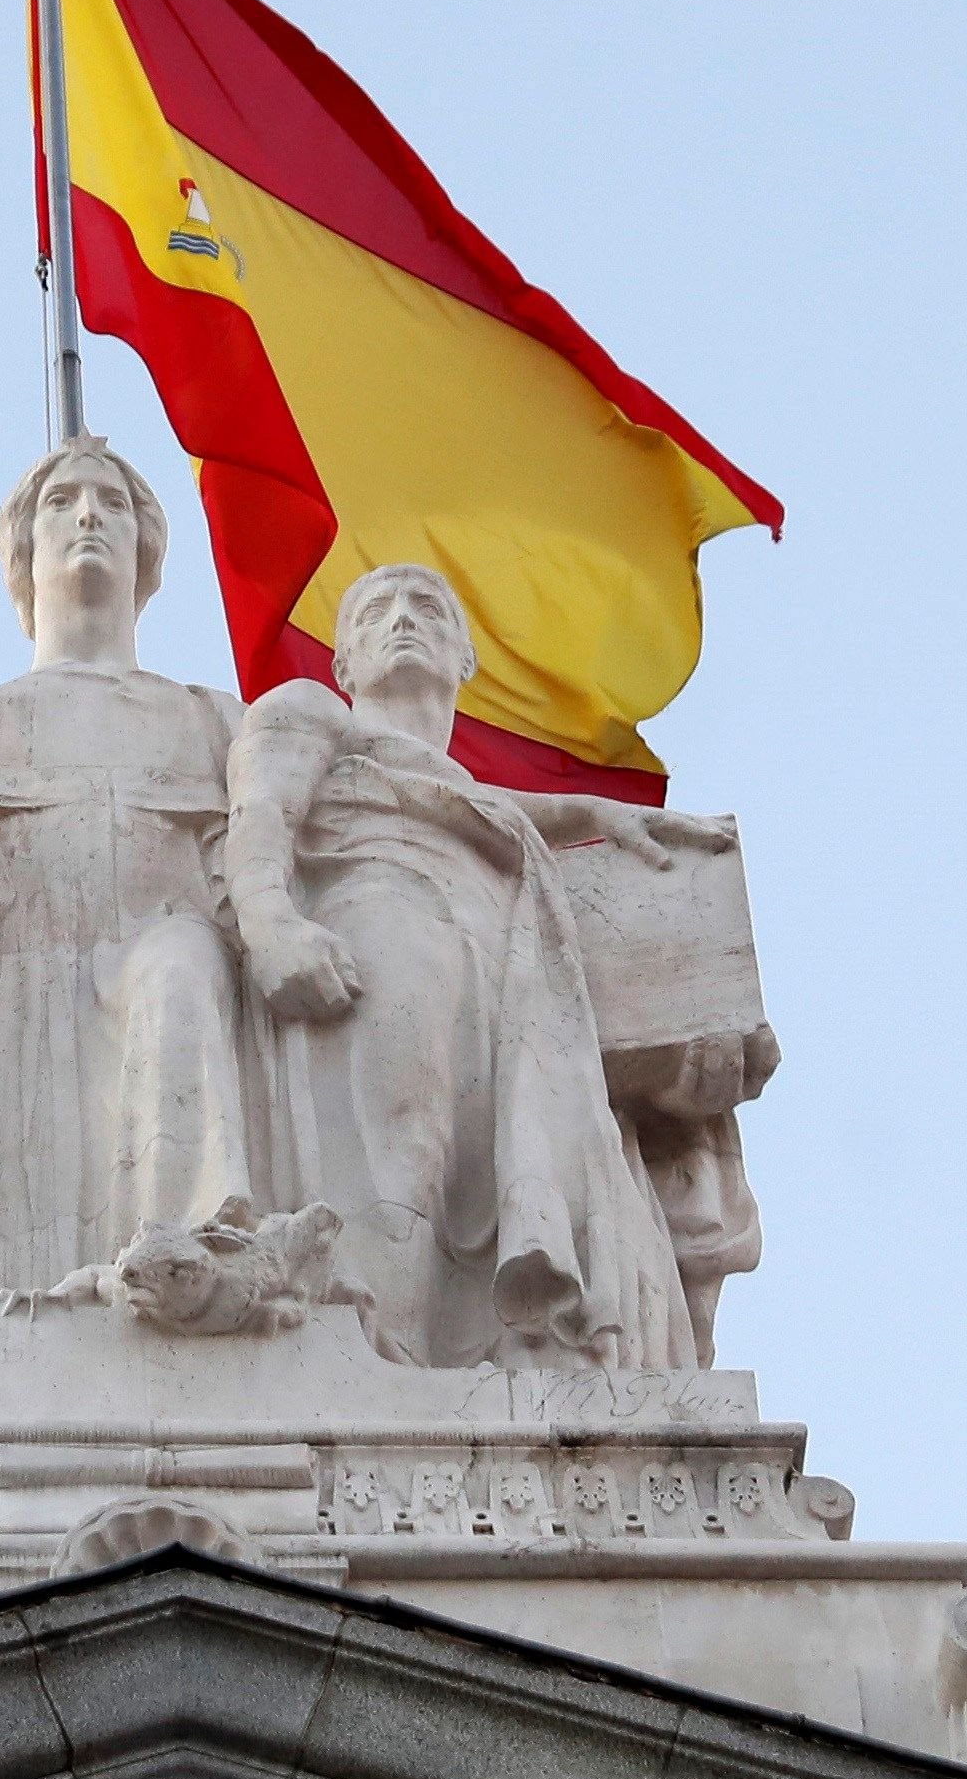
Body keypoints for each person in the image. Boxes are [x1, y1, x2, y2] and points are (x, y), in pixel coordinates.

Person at [225, 563, 701, 1371]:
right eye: (375, 611)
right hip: (377, 929)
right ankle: (383, 1359)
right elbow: (260, 814)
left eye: (428, 609)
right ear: (342, 665)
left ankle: (458, 1356)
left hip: (494, 971)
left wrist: (588, 812)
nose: (402, 619)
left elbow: (473, 800)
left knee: (478, 1173)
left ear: (466, 659)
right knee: (401, 1156)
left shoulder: (481, 806)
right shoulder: (309, 713)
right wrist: (270, 924)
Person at [0, 442, 266, 1296]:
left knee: (178, 966)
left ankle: (188, 1247)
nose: (89, 514)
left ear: (146, 554)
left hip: (165, 960)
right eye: (62, 501)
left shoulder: (215, 724)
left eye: (113, 503)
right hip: (11, 993)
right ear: (22, 554)